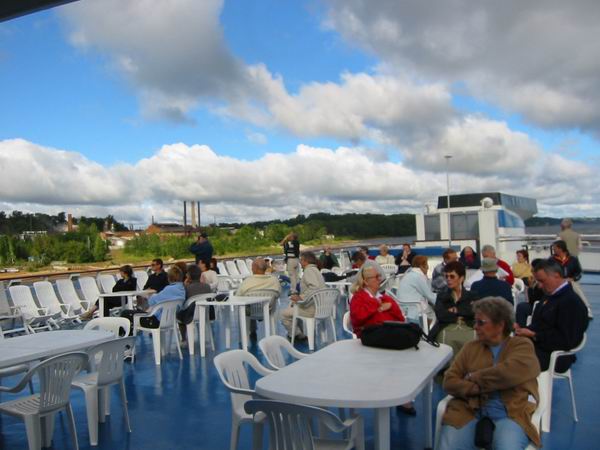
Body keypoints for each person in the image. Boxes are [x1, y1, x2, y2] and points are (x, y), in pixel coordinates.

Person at [438, 297, 541, 450]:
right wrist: (474, 388)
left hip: (510, 413)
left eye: (481, 322)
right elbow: (449, 381)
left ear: (500, 325)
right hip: (469, 411)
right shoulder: (470, 348)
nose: (475, 327)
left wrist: (472, 377)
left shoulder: (521, 345)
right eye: (475, 322)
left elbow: (510, 372)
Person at [349, 265, 415, 415]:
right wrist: (377, 306)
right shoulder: (359, 298)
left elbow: (400, 317)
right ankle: (399, 396)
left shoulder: (384, 297)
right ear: (366, 281)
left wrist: (388, 307)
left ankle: (400, 393)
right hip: (371, 336)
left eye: (379, 276)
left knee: (403, 356)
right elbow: (358, 318)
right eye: (376, 277)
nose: (379, 279)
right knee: (399, 355)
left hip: (387, 334)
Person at [514, 259, 588, 372]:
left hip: (555, 355)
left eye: (542, 281)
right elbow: (540, 324)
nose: (539, 286)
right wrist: (522, 330)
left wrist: (535, 335)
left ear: (556, 276)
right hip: (541, 347)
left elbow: (567, 340)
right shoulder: (550, 297)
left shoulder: (571, 302)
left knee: (510, 360)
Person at [431, 261, 478, 357]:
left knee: (474, 341)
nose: (448, 279)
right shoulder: (442, 296)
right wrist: (459, 316)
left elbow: (474, 312)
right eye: (446, 276)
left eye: (452, 276)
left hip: (468, 328)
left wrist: (455, 311)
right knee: (444, 339)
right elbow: (441, 315)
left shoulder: (472, 295)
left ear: (461, 278)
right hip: (447, 327)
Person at [121, 266, 186, 329]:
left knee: (125, 313)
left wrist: (150, 295)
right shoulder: (182, 289)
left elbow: (151, 302)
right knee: (138, 311)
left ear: (169, 278)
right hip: (171, 320)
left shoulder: (169, 289)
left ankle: (125, 334)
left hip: (155, 321)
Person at [280, 251, 325, 340]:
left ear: (305, 261)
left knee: (283, 314)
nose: (300, 262)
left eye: (301, 260)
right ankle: (298, 333)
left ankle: (296, 335)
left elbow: (314, 287)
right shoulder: (316, 270)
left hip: (312, 309)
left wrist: (301, 297)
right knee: (293, 304)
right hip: (321, 307)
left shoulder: (309, 271)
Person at [236, 257, 282, 339]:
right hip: (268, 310)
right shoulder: (274, 281)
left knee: (246, 307)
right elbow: (278, 294)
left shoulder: (247, 282)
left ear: (254, 269)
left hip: (250, 311)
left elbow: (238, 297)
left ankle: (244, 336)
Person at [551, 240, 592, 318]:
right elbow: (548, 271)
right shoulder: (551, 259)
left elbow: (579, 272)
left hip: (570, 280)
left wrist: (573, 278)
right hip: (557, 281)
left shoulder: (573, 259)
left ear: (560, 249)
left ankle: (587, 308)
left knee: (576, 287)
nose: (553, 250)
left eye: (554, 248)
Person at [177, 264, 212, 344]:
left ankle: (183, 339)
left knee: (180, 314)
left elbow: (183, 301)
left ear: (188, 276)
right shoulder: (207, 286)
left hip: (190, 316)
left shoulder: (187, 288)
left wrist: (184, 285)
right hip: (205, 314)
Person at [396, 255, 437, 322]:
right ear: (421, 266)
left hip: (404, 306)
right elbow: (430, 296)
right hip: (414, 307)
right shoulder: (418, 277)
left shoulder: (409, 274)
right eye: (426, 264)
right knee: (435, 314)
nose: (428, 267)